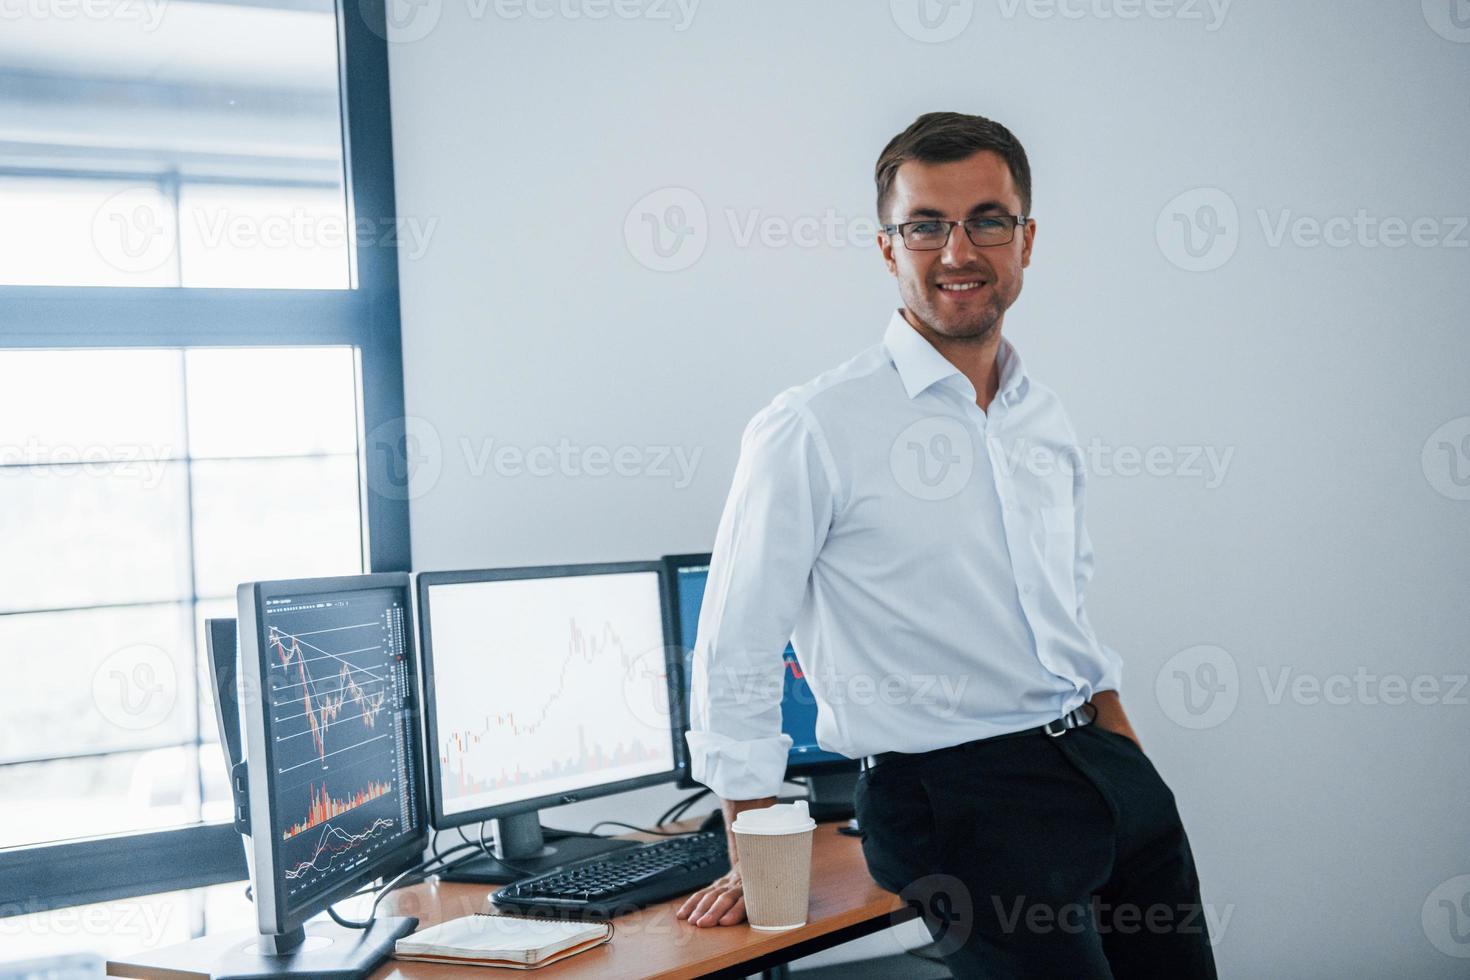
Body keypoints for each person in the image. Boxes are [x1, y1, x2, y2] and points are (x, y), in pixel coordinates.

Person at [674, 111, 1218, 978]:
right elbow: (735, 644)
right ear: (888, 247)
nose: (957, 251)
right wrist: (752, 843)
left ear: (1026, 240)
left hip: (1105, 773)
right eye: (925, 225)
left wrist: (1124, 754)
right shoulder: (813, 427)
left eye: (987, 221)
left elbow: (1067, 604)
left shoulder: (1042, 413)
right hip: (959, 799)